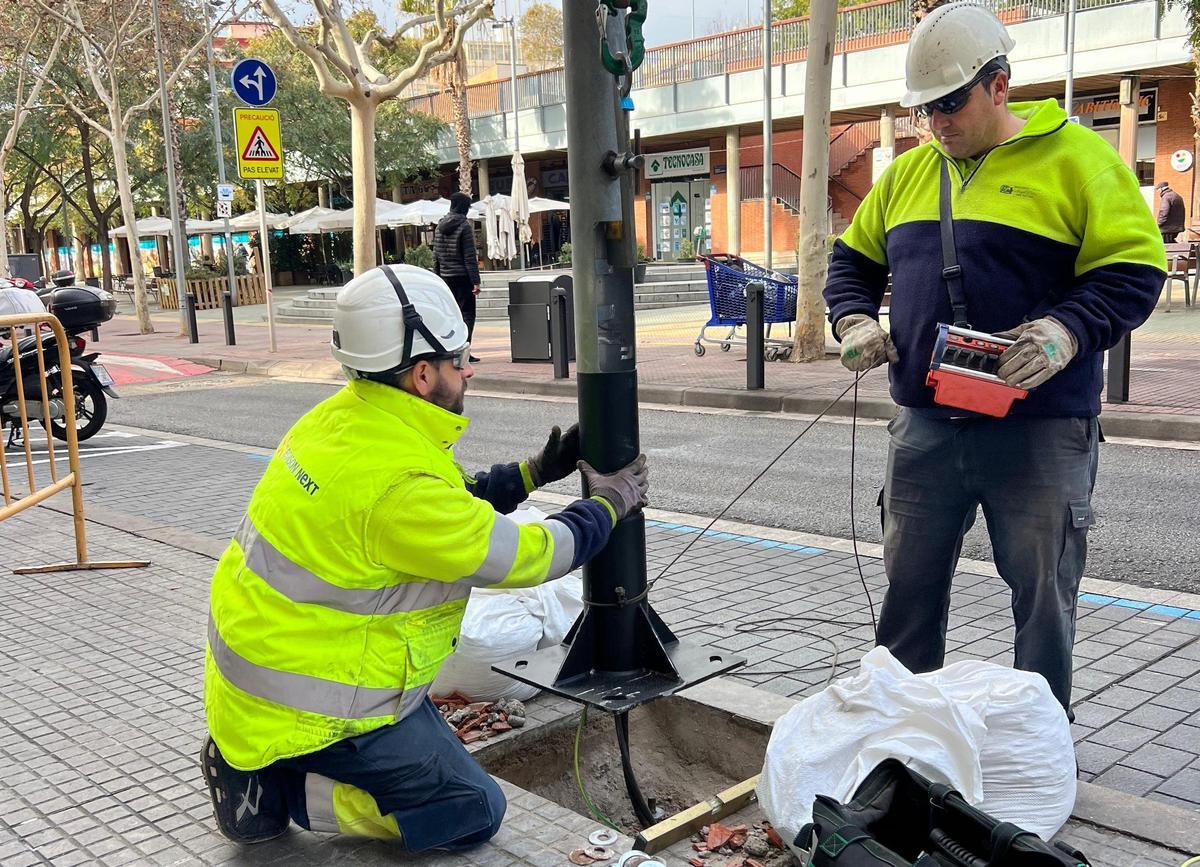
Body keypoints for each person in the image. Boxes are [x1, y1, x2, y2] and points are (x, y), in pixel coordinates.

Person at [200, 264, 649, 849]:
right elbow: (528, 556)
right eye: (459, 359)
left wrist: (533, 473)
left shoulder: (342, 420)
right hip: (320, 706)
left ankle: (246, 753)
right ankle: (275, 788)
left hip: (256, 678)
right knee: (471, 810)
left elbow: (444, 509)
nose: (466, 371)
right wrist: (610, 506)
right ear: (420, 373)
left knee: (439, 761)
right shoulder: (399, 483)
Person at [823, 2, 1165, 714]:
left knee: (1043, 597)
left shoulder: (1080, 160)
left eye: (950, 104)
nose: (937, 123)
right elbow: (850, 262)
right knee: (909, 588)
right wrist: (852, 319)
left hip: (1040, 428)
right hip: (926, 428)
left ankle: (1036, 742)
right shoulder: (909, 175)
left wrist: (1067, 330)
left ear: (1000, 84)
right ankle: (901, 732)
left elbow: (1134, 269)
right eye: (924, 110)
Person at [433, 191, 481, 363]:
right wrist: (475, 281)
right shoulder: (464, 226)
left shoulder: (439, 225)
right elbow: (469, 256)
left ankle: (451, 350)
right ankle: (464, 351)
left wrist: (437, 276)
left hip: (445, 277)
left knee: (451, 316)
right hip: (462, 277)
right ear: (464, 207)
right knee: (467, 315)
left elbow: (436, 254)